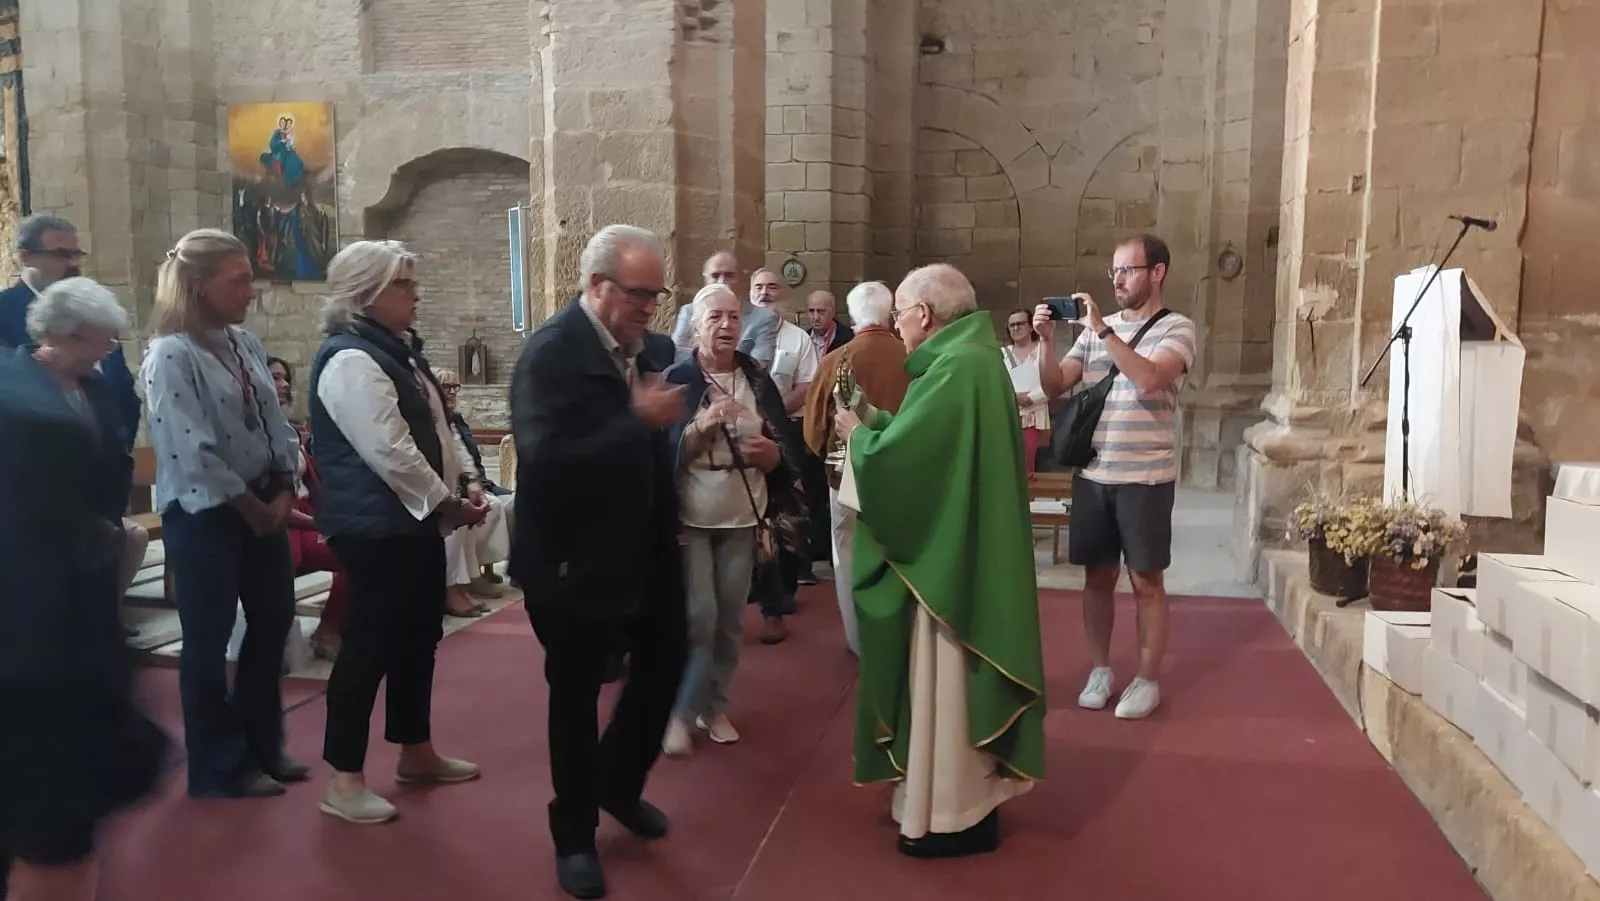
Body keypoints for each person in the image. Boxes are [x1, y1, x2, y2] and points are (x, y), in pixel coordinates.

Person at [834, 263, 1044, 859]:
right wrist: (876, 424)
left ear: (923, 314)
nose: (896, 325)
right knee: (948, 689)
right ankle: (953, 802)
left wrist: (857, 438)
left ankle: (951, 812)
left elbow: (908, 466)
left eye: (900, 312)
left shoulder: (958, 367)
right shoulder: (970, 359)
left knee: (947, 680)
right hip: (964, 547)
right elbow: (928, 445)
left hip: (951, 566)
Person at [510, 224, 689, 900]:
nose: (651, 307)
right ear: (597, 285)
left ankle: (618, 783)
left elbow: (648, 457)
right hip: (571, 560)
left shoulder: (642, 349)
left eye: (657, 293)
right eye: (640, 294)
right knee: (576, 697)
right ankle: (575, 833)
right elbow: (547, 460)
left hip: (642, 548)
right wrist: (633, 421)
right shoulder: (552, 354)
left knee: (668, 660)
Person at [0, 278, 169, 901]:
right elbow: (39, 510)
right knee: (53, 829)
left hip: (77, 603)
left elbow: (111, 461)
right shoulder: (18, 400)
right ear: (66, 333)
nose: (107, 352)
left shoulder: (94, 388)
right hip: (36, 640)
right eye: (100, 341)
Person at [309, 240, 488, 823]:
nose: (416, 294)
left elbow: (436, 430)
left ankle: (416, 751)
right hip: (375, 527)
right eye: (403, 285)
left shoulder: (397, 351)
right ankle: (344, 778)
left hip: (407, 524)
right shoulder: (351, 358)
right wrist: (445, 504)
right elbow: (391, 451)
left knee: (418, 636)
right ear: (365, 293)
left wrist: (464, 487)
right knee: (370, 644)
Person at [141, 229, 303, 799]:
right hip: (207, 513)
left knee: (273, 620)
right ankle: (217, 765)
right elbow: (191, 446)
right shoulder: (171, 354)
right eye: (238, 281)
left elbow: (274, 420)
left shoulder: (244, 343)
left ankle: (264, 745)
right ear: (199, 286)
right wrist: (251, 507)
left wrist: (285, 484)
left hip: (264, 500)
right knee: (207, 641)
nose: (251, 291)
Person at [1033, 233, 1197, 720]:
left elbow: (1149, 378)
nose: (1118, 280)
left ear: (1157, 273)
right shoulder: (1088, 333)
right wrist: (1046, 346)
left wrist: (1105, 331)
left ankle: (1146, 681)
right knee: (1097, 576)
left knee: (1146, 579)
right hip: (1094, 473)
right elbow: (1054, 387)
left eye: (1128, 270)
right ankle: (1100, 669)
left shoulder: (1177, 327)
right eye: (1115, 272)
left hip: (1146, 475)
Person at [660, 284, 794, 756]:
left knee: (732, 620)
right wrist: (703, 425)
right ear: (696, 325)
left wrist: (773, 454)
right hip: (693, 515)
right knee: (700, 617)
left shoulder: (757, 378)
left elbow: (786, 449)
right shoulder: (678, 376)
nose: (725, 326)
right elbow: (661, 452)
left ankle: (714, 707)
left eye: (734, 318)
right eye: (714, 317)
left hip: (742, 513)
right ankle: (678, 712)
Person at [801, 280, 910, 657]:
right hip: (903, 476)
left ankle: (859, 641)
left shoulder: (837, 359)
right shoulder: (913, 357)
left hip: (847, 475)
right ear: (891, 312)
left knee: (846, 556)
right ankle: (900, 636)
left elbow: (813, 431)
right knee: (899, 554)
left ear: (851, 315)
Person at [1003, 308, 1051, 477]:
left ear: (1031, 327)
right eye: (1012, 325)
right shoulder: (1003, 354)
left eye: (1020, 324)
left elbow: (1053, 382)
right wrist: (1015, 397)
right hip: (1007, 415)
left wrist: (1031, 398)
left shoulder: (1043, 350)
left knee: (1026, 466)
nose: (1015, 328)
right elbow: (996, 383)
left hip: (1034, 416)